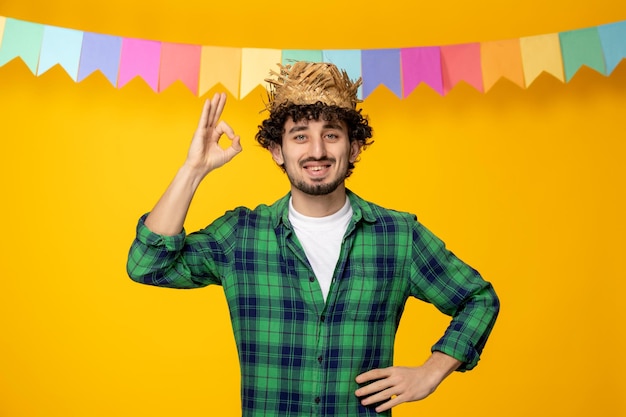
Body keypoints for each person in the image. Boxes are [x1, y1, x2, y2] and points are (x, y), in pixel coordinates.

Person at [127, 61, 499, 417]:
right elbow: (147, 264)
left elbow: (478, 298)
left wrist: (430, 372)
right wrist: (193, 170)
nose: (317, 151)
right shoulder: (241, 236)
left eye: (331, 135)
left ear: (353, 148)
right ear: (278, 151)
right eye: (300, 136)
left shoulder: (397, 236)